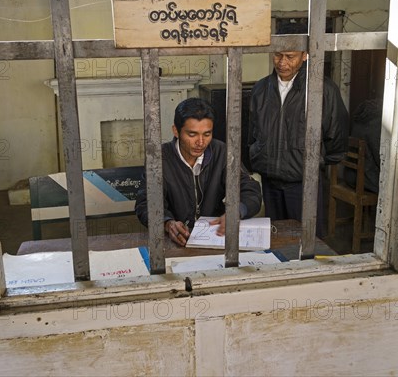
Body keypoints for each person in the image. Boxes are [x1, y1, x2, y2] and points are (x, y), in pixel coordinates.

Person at [248, 22, 348, 238]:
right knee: (275, 238)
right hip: (270, 179)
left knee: (306, 240)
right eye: (277, 55)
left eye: (290, 56)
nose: (282, 62)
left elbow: (336, 137)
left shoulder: (322, 90)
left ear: (305, 55)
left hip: (304, 182)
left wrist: (313, 161)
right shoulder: (260, 89)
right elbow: (252, 132)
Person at [135, 97, 262, 246]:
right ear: (176, 131)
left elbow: (250, 190)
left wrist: (237, 211)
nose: (201, 142)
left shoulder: (222, 152)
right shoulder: (158, 158)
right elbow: (146, 203)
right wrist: (167, 223)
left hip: (215, 236)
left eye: (207, 134)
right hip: (176, 239)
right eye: (192, 134)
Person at [344, 98, 382, 193]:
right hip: (365, 180)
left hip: (350, 175)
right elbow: (379, 158)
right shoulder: (376, 124)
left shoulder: (358, 120)